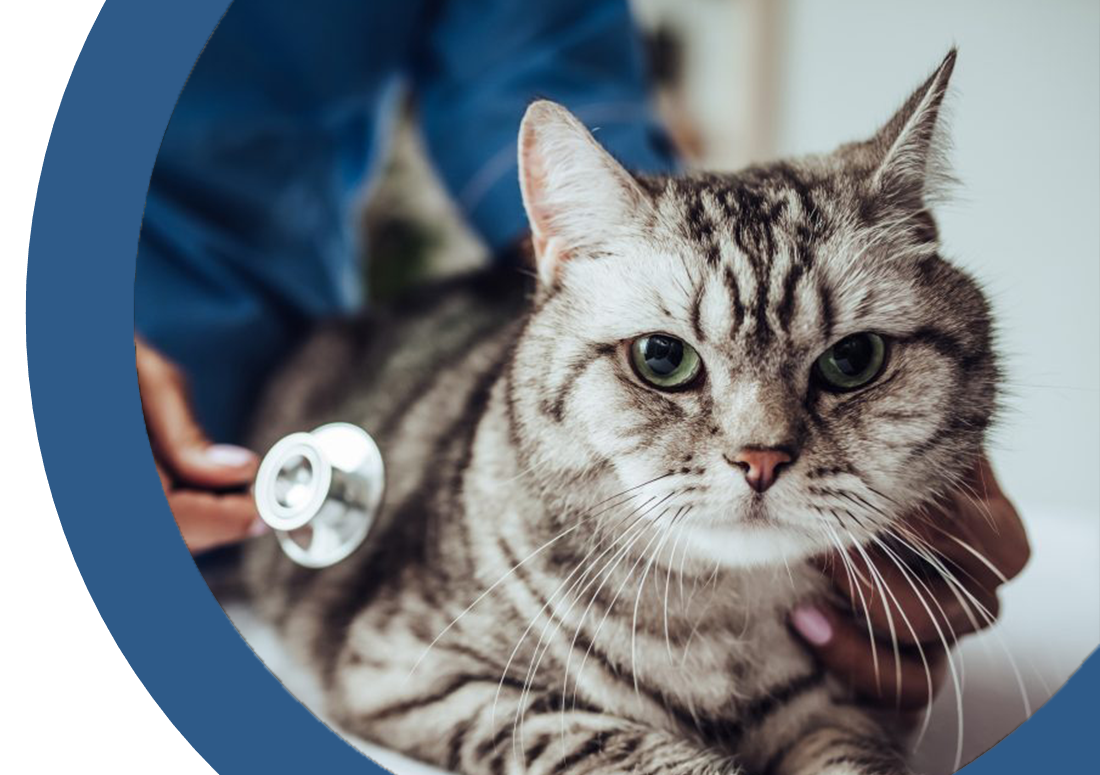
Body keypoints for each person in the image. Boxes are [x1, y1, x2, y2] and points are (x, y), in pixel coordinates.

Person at [134, 0, 1029, 712]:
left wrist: (922, 478)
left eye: (852, 360)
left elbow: (534, 66)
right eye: (668, 362)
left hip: (271, 391)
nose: (763, 449)